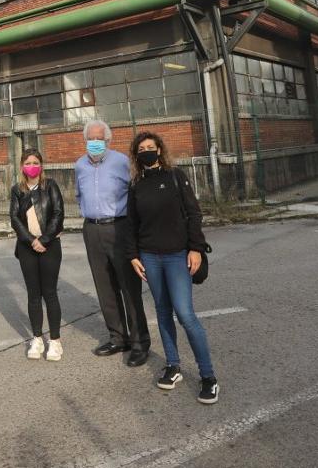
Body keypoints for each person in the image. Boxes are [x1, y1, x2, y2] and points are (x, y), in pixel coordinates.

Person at [123, 131, 219, 405]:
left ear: (160, 149)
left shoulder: (176, 176)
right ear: (136, 154)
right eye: (141, 149)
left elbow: (194, 213)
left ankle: (209, 377)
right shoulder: (136, 185)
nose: (146, 152)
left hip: (178, 256)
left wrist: (196, 248)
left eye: (150, 147)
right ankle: (173, 366)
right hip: (149, 257)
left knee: (185, 315)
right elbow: (130, 224)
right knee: (163, 313)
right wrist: (133, 256)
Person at [74, 119, 150, 366]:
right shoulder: (79, 165)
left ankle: (139, 343)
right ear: (85, 141)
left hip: (119, 227)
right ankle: (118, 337)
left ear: (108, 141)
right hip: (92, 229)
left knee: (129, 286)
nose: (94, 143)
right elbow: (78, 194)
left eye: (100, 139)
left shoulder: (122, 162)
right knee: (104, 286)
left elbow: (136, 193)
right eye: (90, 139)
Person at [8, 149, 65, 361]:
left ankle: (56, 341)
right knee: (33, 294)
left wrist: (44, 239)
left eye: (35, 162)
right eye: (28, 162)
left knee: (49, 293)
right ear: (22, 165)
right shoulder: (17, 190)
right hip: (26, 247)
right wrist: (32, 240)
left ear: (41, 165)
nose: (32, 165)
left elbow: (58, 214)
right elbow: (14, 218)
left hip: (50, 246)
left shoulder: (50, 186)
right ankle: (37, 338)